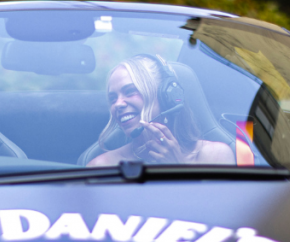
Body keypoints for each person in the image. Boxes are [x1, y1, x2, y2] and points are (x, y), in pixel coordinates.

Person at [87, 54, 235, 166]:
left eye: (130, 91)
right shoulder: (103, 166)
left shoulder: (216, 157)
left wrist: (177, 170)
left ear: (166, 96)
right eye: (113, 98)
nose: (118, 104)